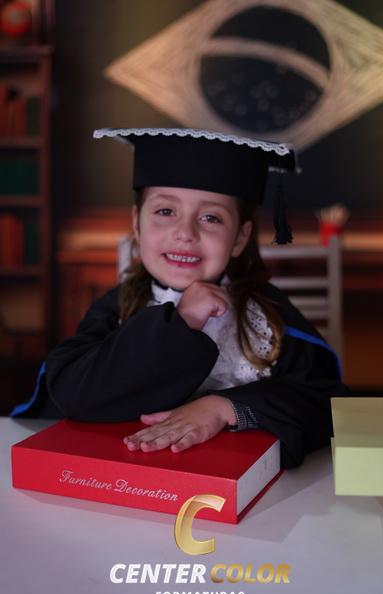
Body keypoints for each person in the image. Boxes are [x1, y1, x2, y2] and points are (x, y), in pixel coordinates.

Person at [12, 127, 348, 469]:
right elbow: (73, 392)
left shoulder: (267, 317)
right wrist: (181, 322)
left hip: (240, 483)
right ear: (137, 224)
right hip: (129, 478)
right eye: (165, 211)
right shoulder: (118, 308)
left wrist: (224, 408)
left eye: (211, 217)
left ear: (239, 238)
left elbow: (326, 404)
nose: (185, 233)